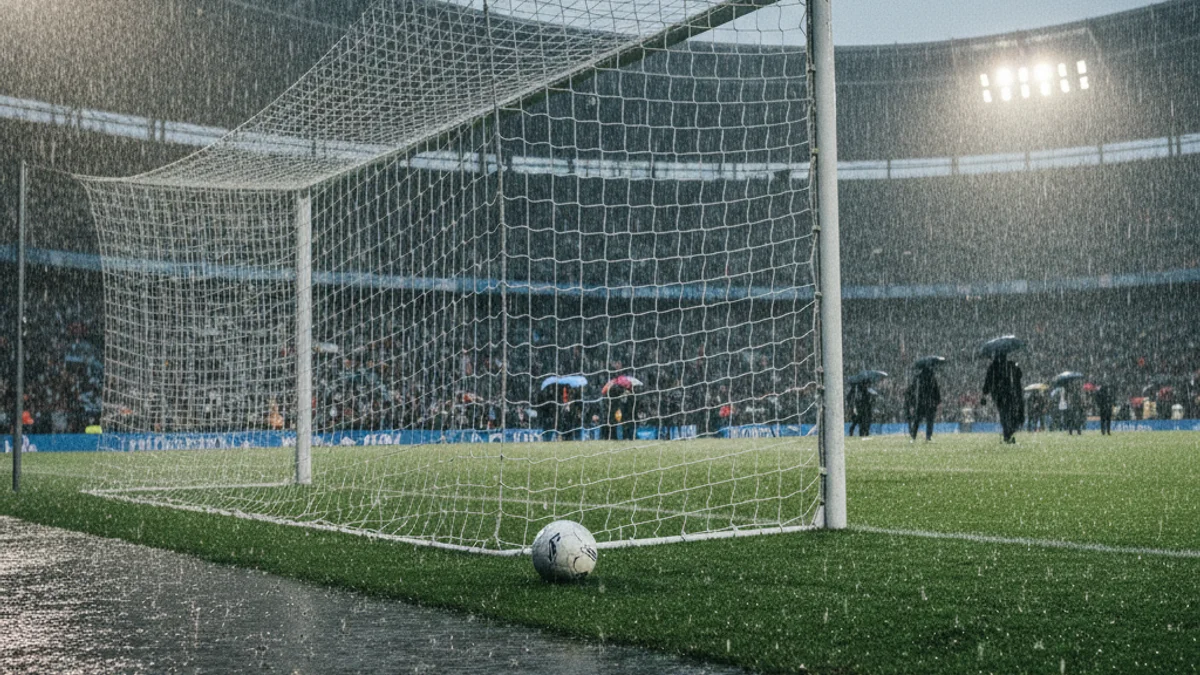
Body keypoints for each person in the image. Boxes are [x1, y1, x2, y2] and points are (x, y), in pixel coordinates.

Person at [981, 353, 1023, 444]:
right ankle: (1009, 431)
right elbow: (1019, 375)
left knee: (1004, 414)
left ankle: (1007, 433)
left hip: (998, 395)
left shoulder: (992, 368)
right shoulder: (1010, 365)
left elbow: (987, 382)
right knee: (1010, 413)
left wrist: (984, 394)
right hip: (1009, 393)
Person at [905, 367, 941, 442]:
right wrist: (938, 401)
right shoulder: (932, 377)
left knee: (917, 420)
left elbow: (912, 389)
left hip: (920, 403)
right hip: (930, 403)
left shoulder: (918, 377)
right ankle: (928, 437)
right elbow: (936, 390)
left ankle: (913, 437)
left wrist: (911, 401)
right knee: (930, 421)